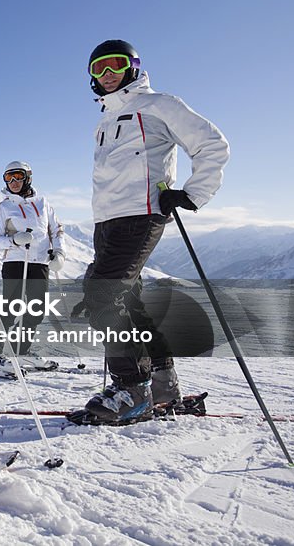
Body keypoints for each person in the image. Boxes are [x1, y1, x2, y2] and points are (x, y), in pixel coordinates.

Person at [78, 39, 229, 424]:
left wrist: (193, 194)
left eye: (115, 64)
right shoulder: (104, 120)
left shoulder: (159, 105)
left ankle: (132, 389)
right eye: (99, 68)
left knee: (104, 296)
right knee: (129, 303)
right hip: (106, 222)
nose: (107, 73)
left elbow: (212, 144)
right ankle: (163, 384)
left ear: (133, 66)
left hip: (141, 216)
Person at [0, 160, 65, 374]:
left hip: (40, 262)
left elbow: (56, 230)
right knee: (10, 308)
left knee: (35, 311)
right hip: (15, 261)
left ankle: (21, 350)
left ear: (27, 177)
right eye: (8, 177)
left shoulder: (43, 203)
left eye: (17, 176)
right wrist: (14, 241)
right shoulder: (4, 207)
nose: (13, 181)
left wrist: (59, 252)